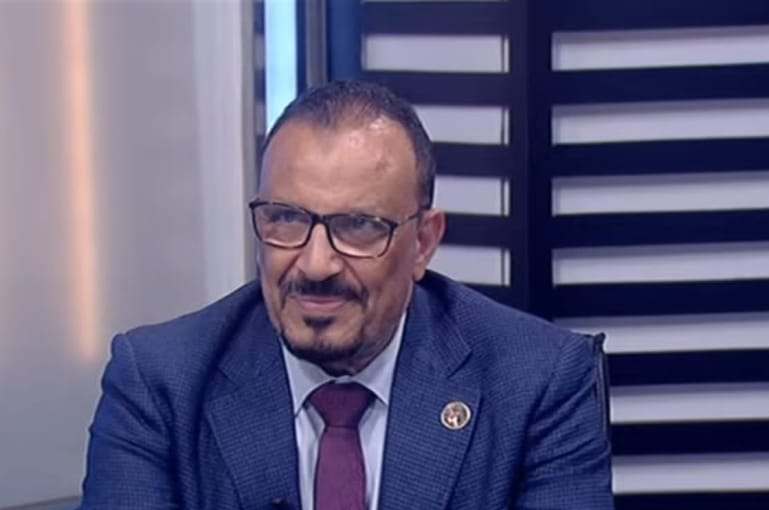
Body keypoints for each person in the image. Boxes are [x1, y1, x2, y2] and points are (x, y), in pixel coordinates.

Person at [79, 80, 613, 510]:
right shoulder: (159, 383)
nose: (316, 264)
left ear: (423, 242)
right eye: (285, 219)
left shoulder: (536, 382)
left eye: (358, 226)